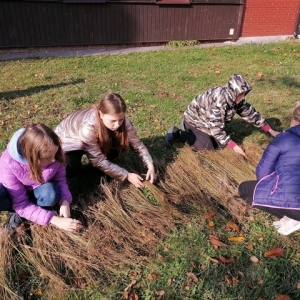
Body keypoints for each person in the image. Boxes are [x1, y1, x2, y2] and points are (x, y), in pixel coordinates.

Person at [54, 93, 155, 188]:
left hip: (90, 139)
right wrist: (127, 175)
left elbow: (137, 144)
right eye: (113, 121)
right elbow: (98, 160)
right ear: (101, 114)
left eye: (121, 119)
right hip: (69, 142)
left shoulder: (124, 122)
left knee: (116, 147)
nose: (117, 125)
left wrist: (149, 164)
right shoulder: (88, 127)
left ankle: (102, 169)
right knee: (72, 168)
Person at [165, 74, 279, 157]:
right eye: (241, 94)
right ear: (233, 92)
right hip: (195, 120)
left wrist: (270, 130)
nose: (243, 97)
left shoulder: (236, 99)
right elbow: (216, 130)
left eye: (244, 94)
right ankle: (179, 132)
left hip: (208, 120)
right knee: (207, 147)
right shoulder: (220, 103)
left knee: (221, 144)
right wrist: (234, 146)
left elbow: (250, 113)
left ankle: (194, 133)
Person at [0, 123, 82, 232]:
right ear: (32, 157)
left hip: (38, 188)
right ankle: (18, 213)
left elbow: (61, 180)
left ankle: (37, 212)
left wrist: (65, 201)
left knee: (50, 193)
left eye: (55, 153)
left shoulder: (53, 150)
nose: (53, 160)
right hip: (14, 194)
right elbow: (21, 203)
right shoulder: (8, 163)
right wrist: (54, 219)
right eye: (47, 158)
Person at [238, 103, 300, 235]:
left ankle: (290, 219)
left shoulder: (284, 138)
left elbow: (263, 174)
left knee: (244, 189)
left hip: (296, 206)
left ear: (293, 119)